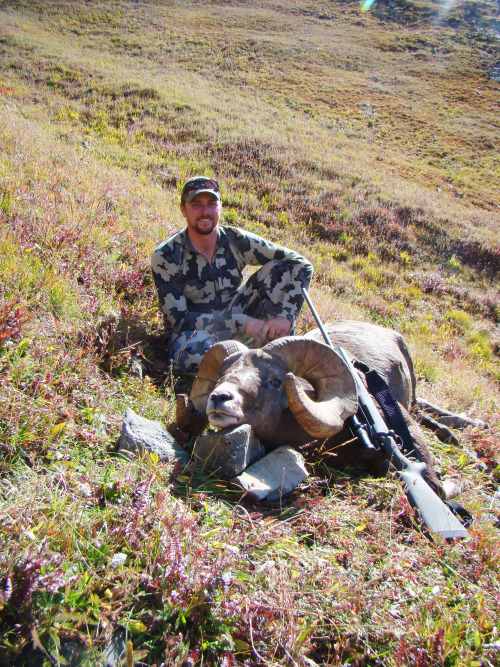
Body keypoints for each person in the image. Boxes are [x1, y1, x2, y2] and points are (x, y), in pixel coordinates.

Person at [151, 176, 313, 374]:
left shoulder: (236, 240)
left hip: (236, 313)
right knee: (198, 353)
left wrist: (285, 316)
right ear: (183, 210)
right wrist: (243, 323)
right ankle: (254, 368)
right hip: (194, 332)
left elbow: (301, 264)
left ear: (220, 207)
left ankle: (276, 349)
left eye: (212, 204)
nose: (205, 212)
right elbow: (178, 319)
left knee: (280, 269)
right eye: (196, 205)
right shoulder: (166, 255)